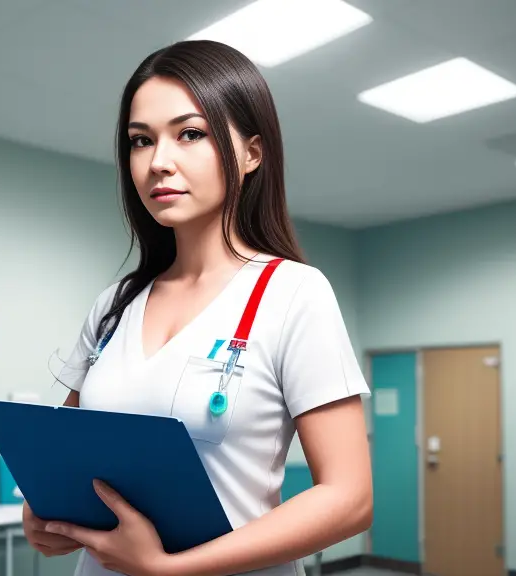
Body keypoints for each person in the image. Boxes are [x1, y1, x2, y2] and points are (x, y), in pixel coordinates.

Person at [23, 39, 373, 576]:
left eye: (190, 134)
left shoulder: (293, 293)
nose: (158, 162)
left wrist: (170, 568)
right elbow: (64, 460)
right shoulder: (114, 305)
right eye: (140, 141)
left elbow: (348, 498)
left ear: (252, 153)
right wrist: (45, 514)